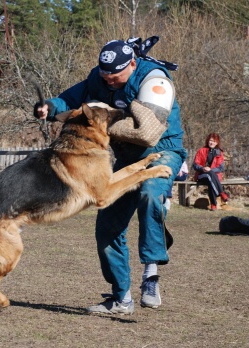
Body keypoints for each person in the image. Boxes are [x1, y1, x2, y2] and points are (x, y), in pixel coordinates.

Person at [35, 37, 187, 315]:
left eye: (115, 75)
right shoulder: (100, 78)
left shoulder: (155, 81)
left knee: (151, 192)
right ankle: (121, 298)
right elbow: (72, 98)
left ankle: (150, 274)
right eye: (104, 74)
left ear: (132, 64)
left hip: (162, 149)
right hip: (126, 158)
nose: (108, 81)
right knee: (107, 224)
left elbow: (146, 133)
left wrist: (99, 125)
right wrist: (51, 107)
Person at [192, 133, 228, 211]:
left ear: (217, 142)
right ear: (208, 141)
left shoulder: (219, 153)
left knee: (210, 178)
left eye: (214, 141)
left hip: (213, 177)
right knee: (209, 176)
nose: (211, 142)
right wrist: (202, 168)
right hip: (201, 175)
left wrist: (210, 170)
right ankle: (221, 193)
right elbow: (195, 165)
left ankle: (213, 205)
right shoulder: (201, 150)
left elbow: (221, 168)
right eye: (210, 140)